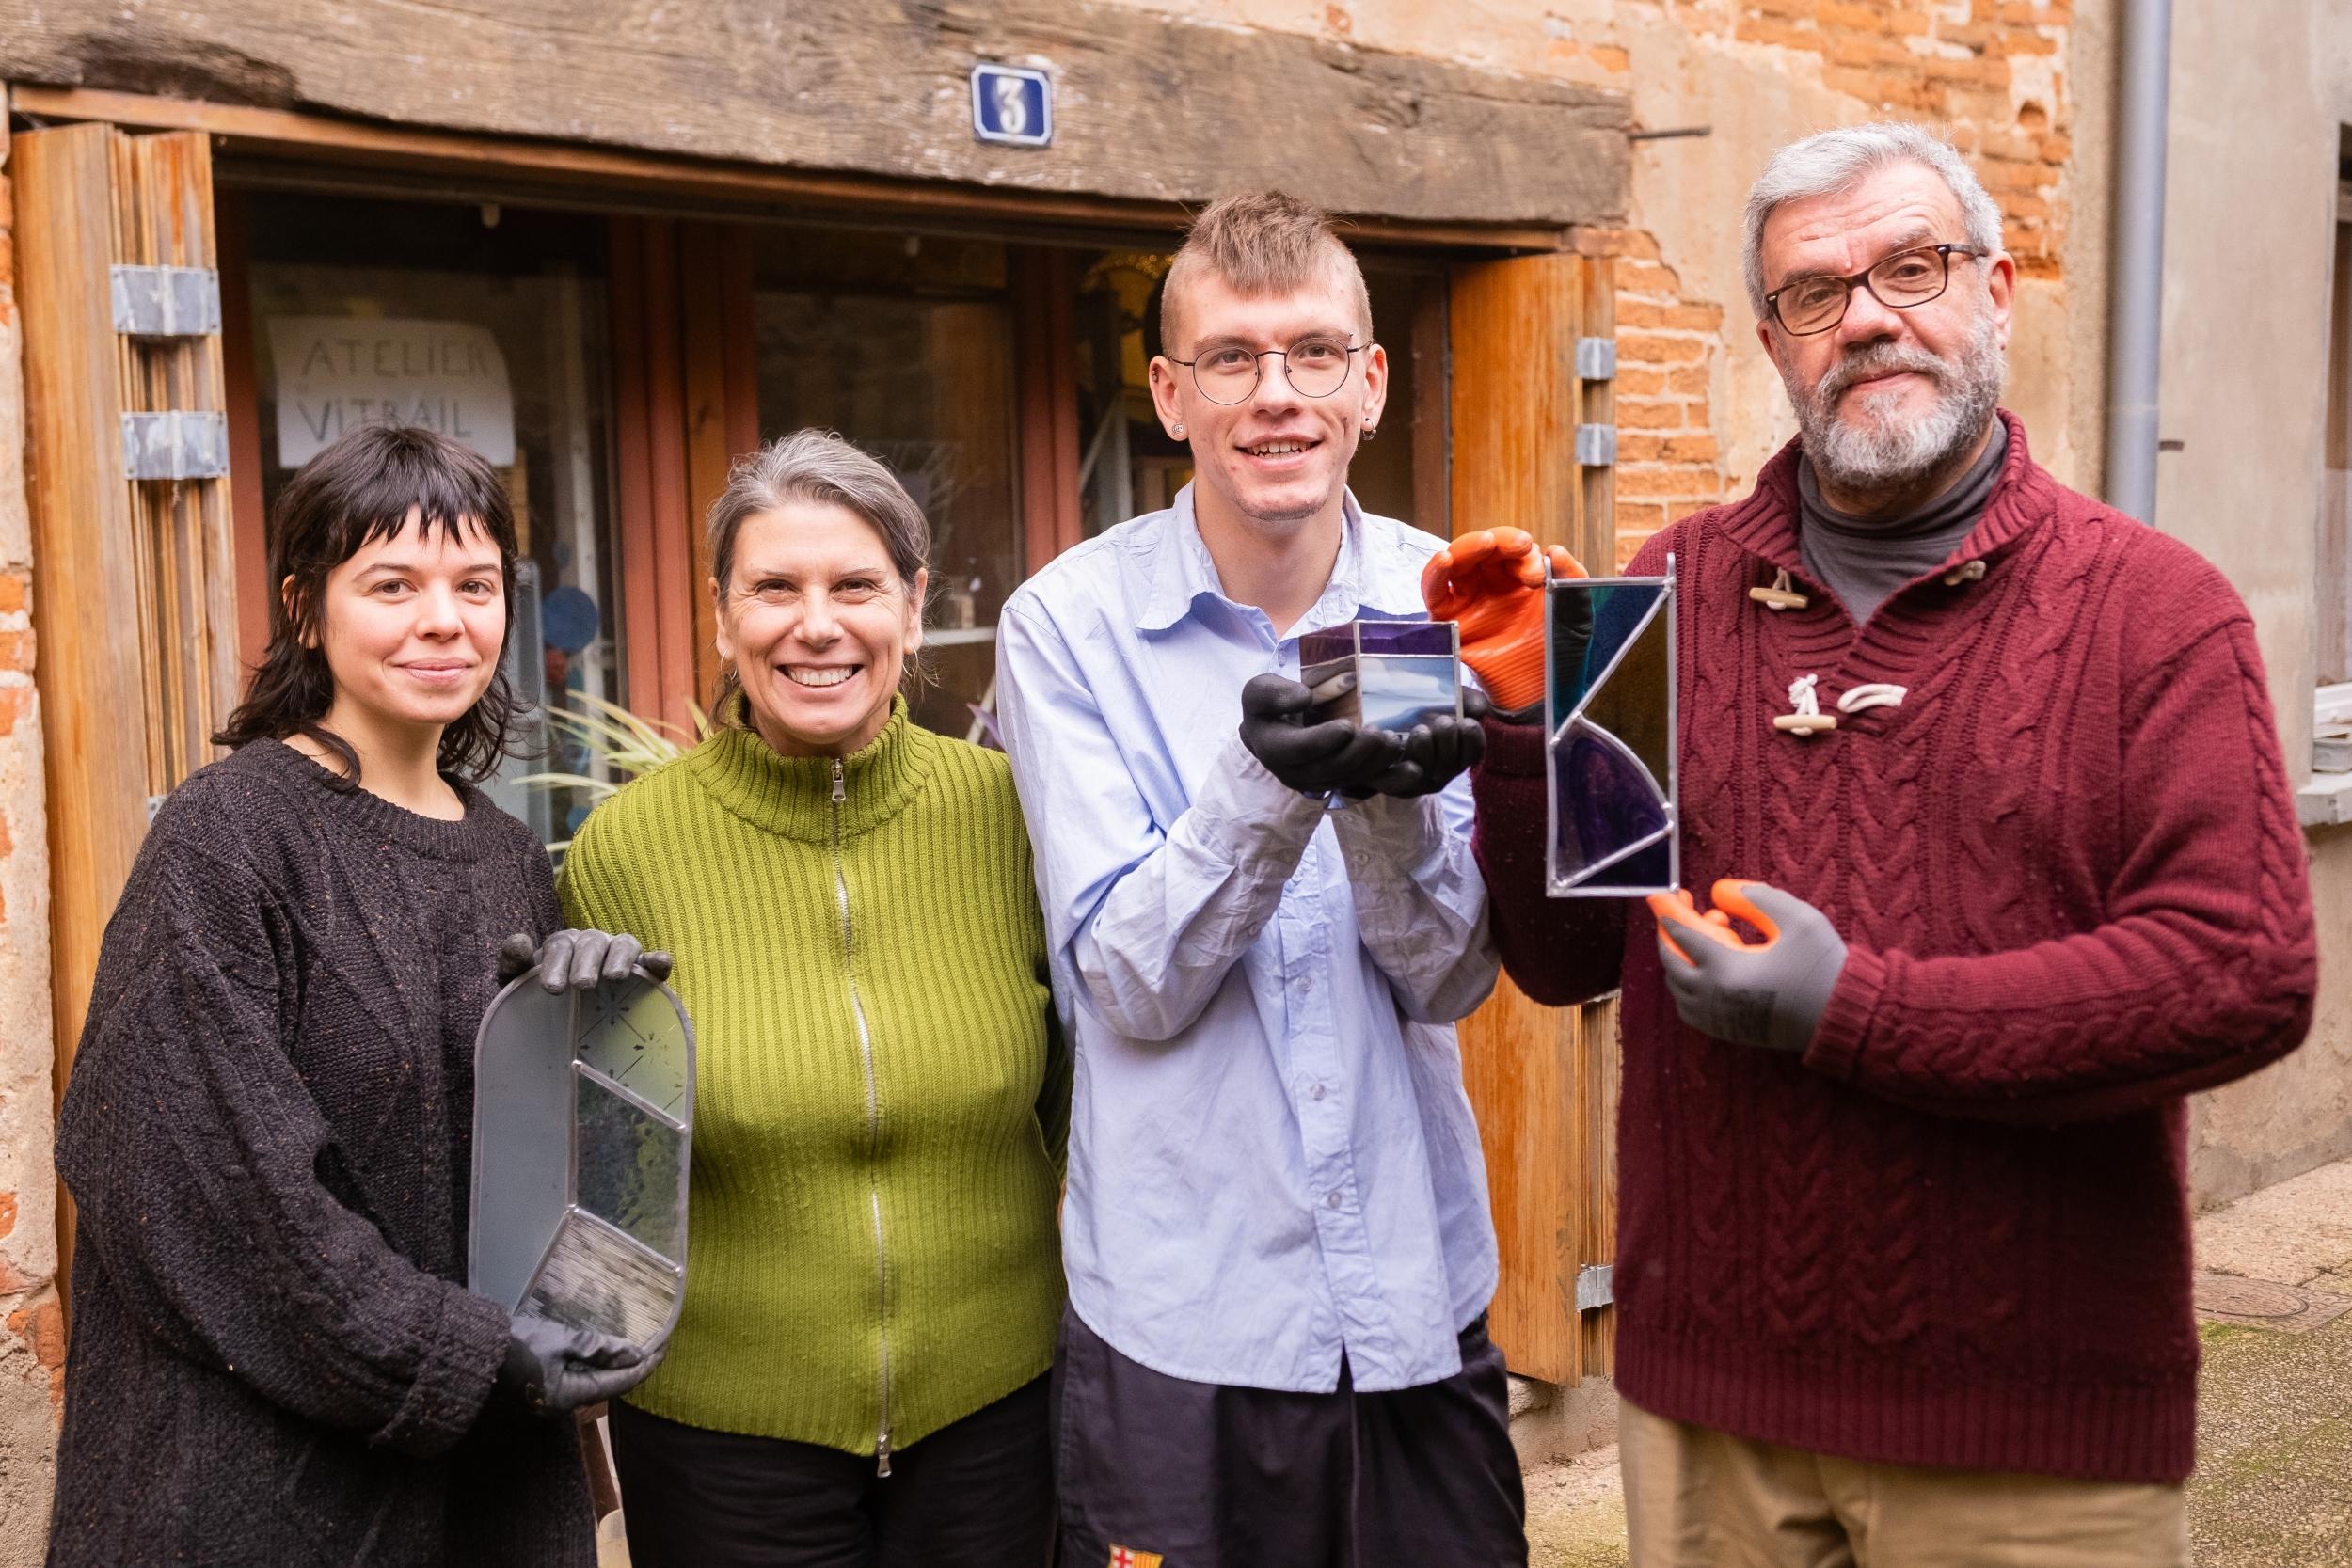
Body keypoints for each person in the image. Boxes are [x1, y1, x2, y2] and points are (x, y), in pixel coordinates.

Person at [1438, 123, 2319, 1567]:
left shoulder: (2158, 612)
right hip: (1712, 1412)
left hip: (2033, 1431)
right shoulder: (1659, 587)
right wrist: (1529, 723)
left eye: (1910, 265)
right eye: (1811, 291)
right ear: (1774, 340)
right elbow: (1563, 951)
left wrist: (1857, 1009)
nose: (1865, 317)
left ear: (1995, 290)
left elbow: (2242, 969)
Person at [995, 190, 1523, 1568]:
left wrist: (1392, 817)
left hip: (1415, 1296)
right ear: (1170, 392)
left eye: (1312, 353)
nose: (1275, 395)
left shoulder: (1443, 603)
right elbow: (1124, 984)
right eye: (1232, 357)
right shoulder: (1069, 622)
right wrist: (1268, 781)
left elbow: (1453, 974)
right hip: (1184, 1323)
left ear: (1371, 380)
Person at [46, 424, 662, 1568]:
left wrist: (607, 1043)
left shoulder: (510, 860)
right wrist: (472, 1353)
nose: (445, 619)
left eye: (476, 583)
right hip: (260, 1492)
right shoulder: (228, 837)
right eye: (392, 583)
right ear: (302, 606)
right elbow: (205, 1189)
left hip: (481, 1490)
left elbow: (542, 1185)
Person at [556, 430, 1069, 1568]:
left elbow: (1091, 1103)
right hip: (719, 1436)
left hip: (994, 1413)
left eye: (855, 585)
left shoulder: (1015, 816)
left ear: (914, 602)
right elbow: (598, 1175)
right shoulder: (624, 850)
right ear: (723, 612)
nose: (817, 623)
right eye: (774, 587)